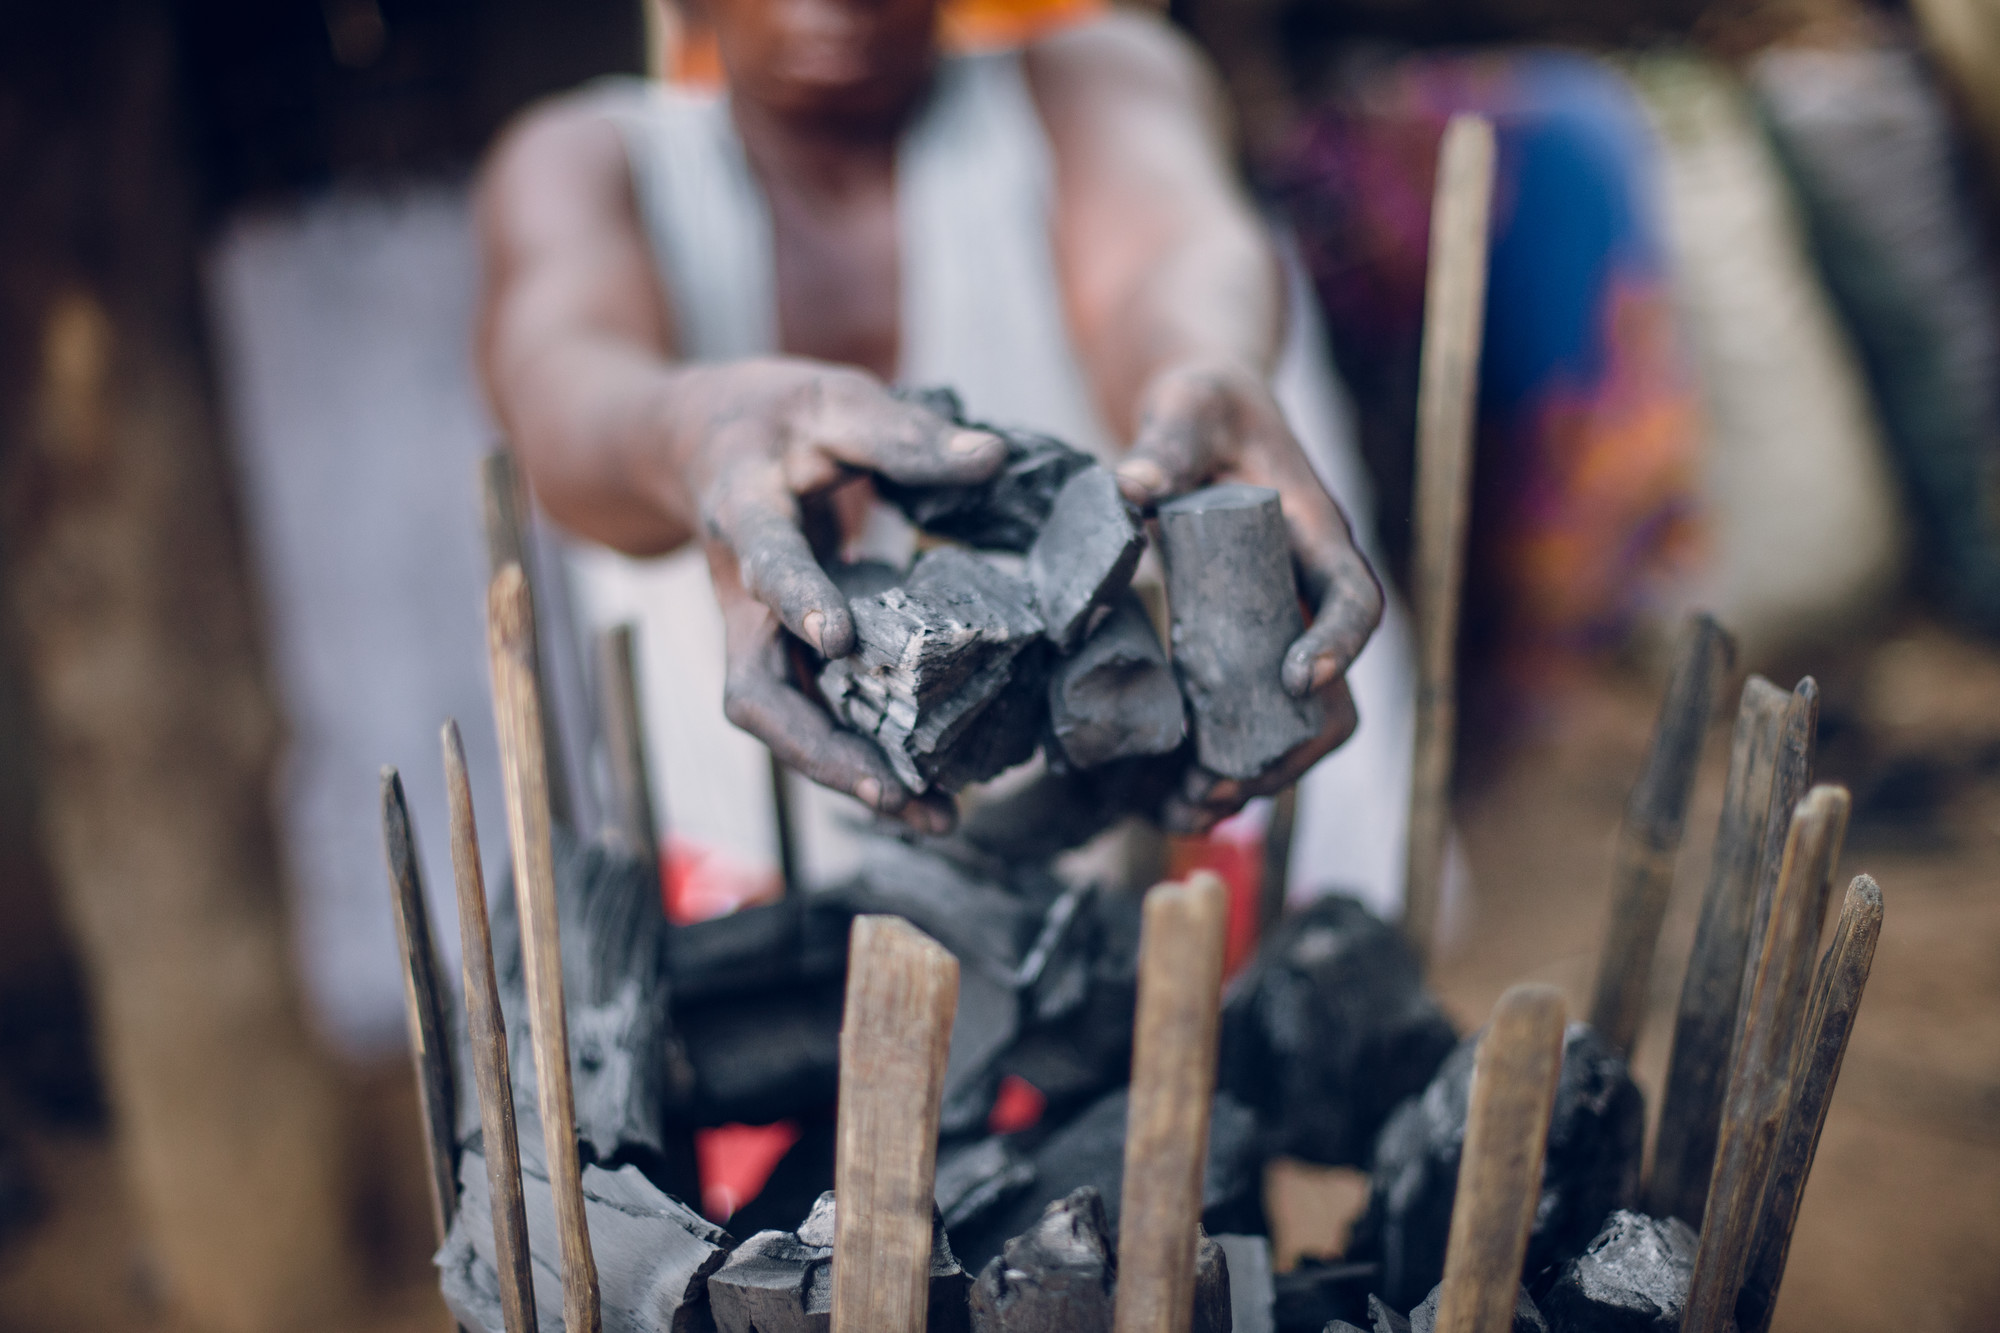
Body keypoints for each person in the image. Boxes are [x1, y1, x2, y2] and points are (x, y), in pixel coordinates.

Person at [474, 0, 1393, 883]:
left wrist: (1205, 364)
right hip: (739, 870)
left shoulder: (1092, 82)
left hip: (1124, 864)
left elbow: (1177, 259)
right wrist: (694, 436)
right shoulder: (584, 161)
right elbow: (564, 383)